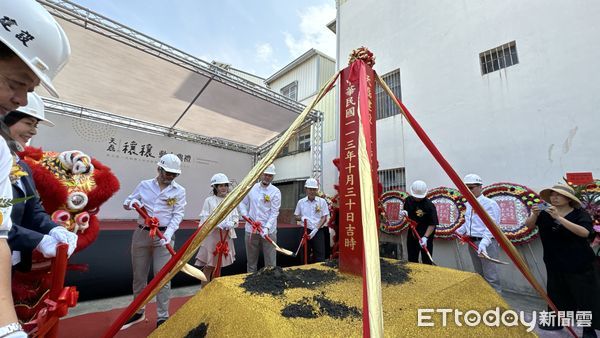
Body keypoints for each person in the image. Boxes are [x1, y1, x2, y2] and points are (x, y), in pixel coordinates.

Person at [0, 0, 71, 336]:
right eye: (16, 84)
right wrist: (39, 239)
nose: (20, 98)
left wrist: (6, 325)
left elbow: (6, 226)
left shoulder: (9, 159)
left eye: (29, 90)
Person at [6, 93, 78, 271]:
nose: (34, 131)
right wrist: (38, 241)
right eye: (29, 123)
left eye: (35, 125)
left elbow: (33, 209)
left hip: (9, 262)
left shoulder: (21, 166)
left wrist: (54, 229)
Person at [525, 184, 599, 336]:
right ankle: (554, 322)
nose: (554, 197)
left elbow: (584, 233)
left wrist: (558, 218)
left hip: (578, 263)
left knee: (584, 298)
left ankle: (588, 330)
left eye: (558, 195)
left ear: (568, 199)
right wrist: (534, 214)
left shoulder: (579, 213)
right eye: (552, 195)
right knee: (556, 294)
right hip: (554, 262)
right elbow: (529, 226)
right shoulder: (544, 213)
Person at [122, 154, 186, 329]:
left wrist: (169, 234)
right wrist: (132, 202)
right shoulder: (144, 185)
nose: (170, 176)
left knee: (162, 277)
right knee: (139, 276)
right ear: (159, 169)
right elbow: (127, 202)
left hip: (164, 238)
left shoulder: (179, 191)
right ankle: (138, 310)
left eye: (174, 174)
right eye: (168, 173)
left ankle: (162, 317)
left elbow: (178, 214)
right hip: (142, 234)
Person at [455, 173, 502, 293]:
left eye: (471, 188)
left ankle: (497, 305)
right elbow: (470, 223)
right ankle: (484, 300)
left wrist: (484, 243)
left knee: (491, 276)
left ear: (480, 187)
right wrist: (461, 230)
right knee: (479, 275)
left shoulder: (490, 204)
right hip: (472, 242)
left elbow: (493, 226)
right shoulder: (469, 203)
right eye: (465, 188)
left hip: (487, 243)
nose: (468, 191)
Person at [195, 173, 238, 286]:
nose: (224, 188)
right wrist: (216, 224)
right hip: (212, 236)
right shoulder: (209, 200)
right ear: (215, 187)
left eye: (225, 185)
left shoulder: (231, 200)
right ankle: (204, 292)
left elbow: (236, 217)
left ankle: (214, 292)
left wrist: (231, 223)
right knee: (209, 265)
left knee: (219, 266)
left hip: (226, 235)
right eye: (220, 185)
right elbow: (204, 218)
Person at [239, 164, 281, 272]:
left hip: (269, 232)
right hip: (251, 230)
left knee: (270, 263)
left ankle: (270, 284)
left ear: (273, 177)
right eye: (266, 174)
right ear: (261, 174)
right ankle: (251, 281)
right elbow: (242, 203)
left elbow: (274, 212)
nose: (267, 177)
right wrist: (245, 215)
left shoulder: (276, 191)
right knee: (251, 261)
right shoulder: (252, 188)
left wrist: (266, 228)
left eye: (270, 176)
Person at [401, 180, 438, 265]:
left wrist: (425, 237)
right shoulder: (408, 200)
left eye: (420, 197)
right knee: (412, 259)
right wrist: (404, 213)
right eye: (416, 196)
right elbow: (407, 212)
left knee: (426, 260)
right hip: (413, 233)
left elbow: (432, 224)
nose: (418, 198)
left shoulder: (429, 205)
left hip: (425, 235)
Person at [294, 178, 330, 262]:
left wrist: (316, 229)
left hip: (318, 231)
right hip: (305, 230)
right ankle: (305, 272)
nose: (312, 191)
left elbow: (324, 217)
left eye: (314, 189)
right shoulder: (301, 202)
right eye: (310, 189)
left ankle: (319, 272)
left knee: (320, 254)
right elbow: (296, 216)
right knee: (304, 254)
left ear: (317, 190)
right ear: (306, 189)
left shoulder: (322, 202)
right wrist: (302, 218)